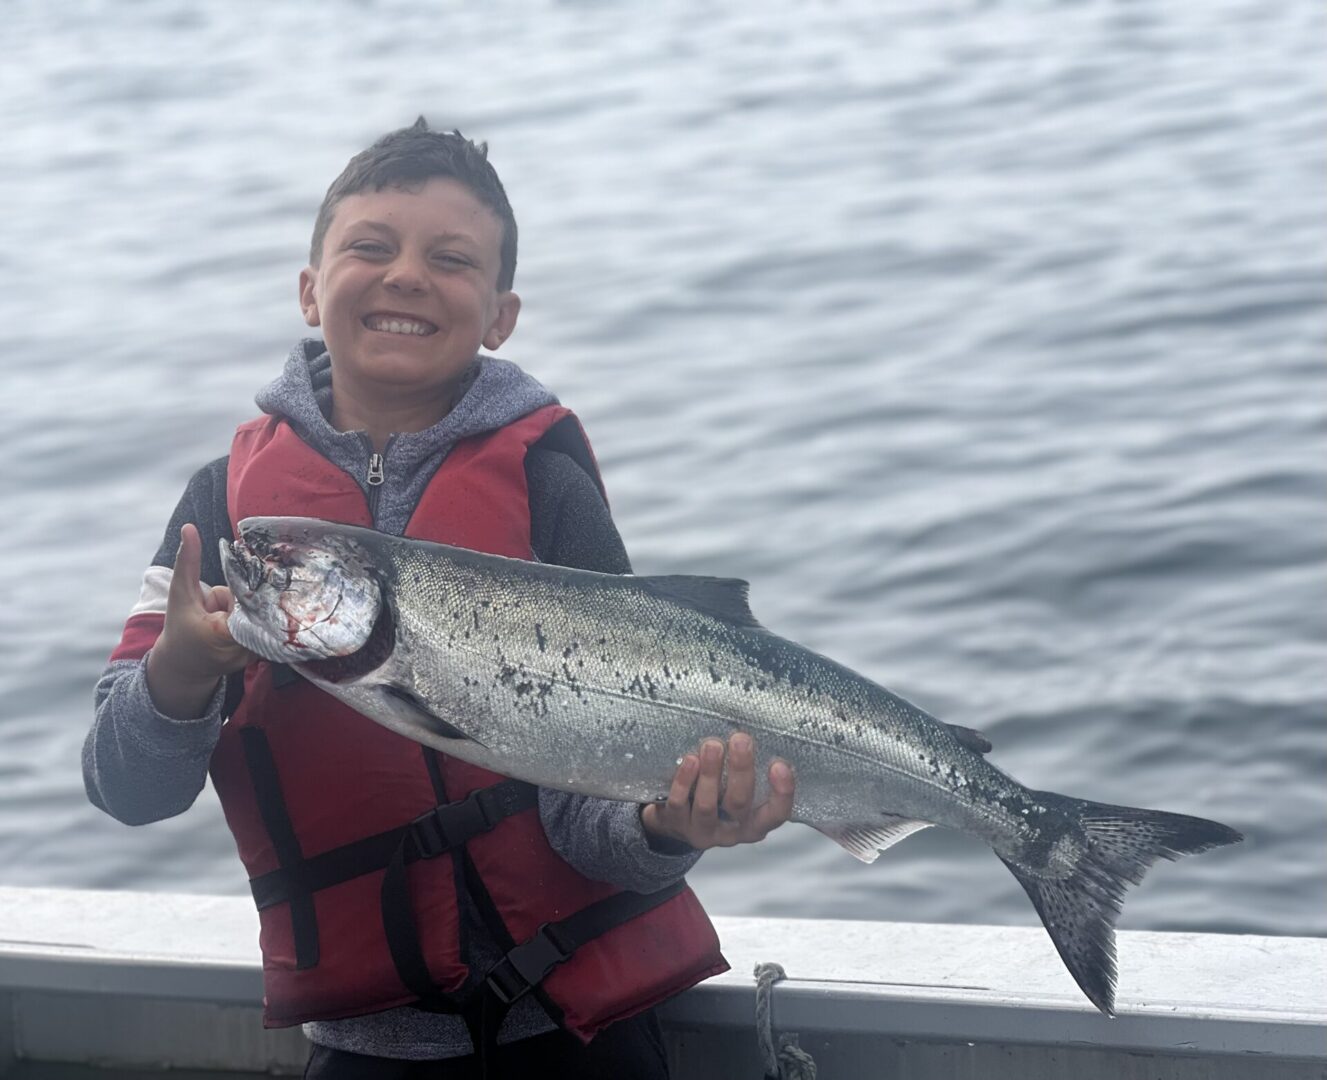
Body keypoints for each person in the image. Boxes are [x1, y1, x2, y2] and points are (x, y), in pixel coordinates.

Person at [85, 118, 796, 1079]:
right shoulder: (222, 516)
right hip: (367, 1045)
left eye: (450, 258)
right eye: (369, 247)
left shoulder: (546, 487)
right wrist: (177, 675)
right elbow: (125, 786)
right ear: (309, 289)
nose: (406, 275)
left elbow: (593, 804)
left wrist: (666, 828)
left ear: (500, 314)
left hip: (585, 1035)